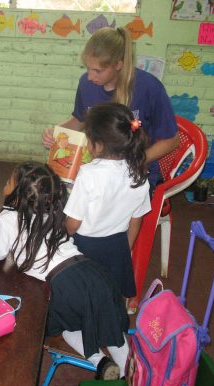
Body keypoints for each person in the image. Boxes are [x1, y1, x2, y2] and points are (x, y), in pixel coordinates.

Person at [0, 162, 129, 380]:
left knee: (62, 326)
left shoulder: (8, 220)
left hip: (64, 286)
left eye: (8, 182)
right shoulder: (55, 214)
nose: (5, 185)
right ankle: (127, 370)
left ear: (19, 194)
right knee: (111, 327)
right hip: (93, 272)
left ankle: (98, 359)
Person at [42, 27, 179, 187]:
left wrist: (134, 162)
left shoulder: (149, 88)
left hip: (136, 170)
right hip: (96, 166)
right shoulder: (86, 84)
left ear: (118, 64)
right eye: (88, 68)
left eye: (98, 70)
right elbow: (80, 119)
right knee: (56, 191)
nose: (90, 76)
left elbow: (172, 140)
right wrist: (56, 133)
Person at [64, 103, 151, 298]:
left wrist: (59, 233)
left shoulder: (88, 174)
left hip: (85, 246)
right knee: (109, 295)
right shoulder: (140, 174)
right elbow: (136, 221)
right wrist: (123, 252)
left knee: (83, 294)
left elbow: (73, 224)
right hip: (118, 245)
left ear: (99, 144)